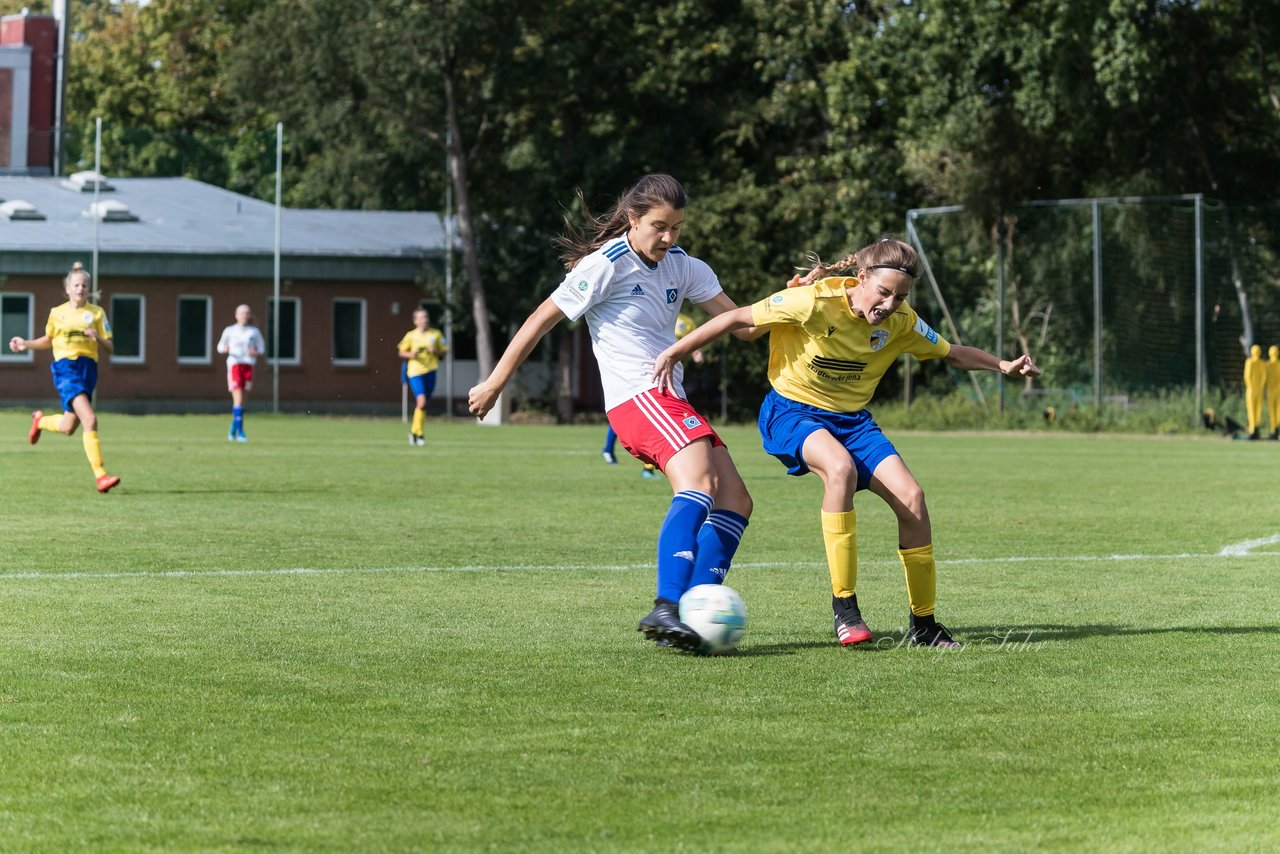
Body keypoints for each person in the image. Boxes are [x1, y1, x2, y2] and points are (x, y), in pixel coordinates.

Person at [652, 237, 1041, 649]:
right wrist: (675, 353)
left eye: (901, 296)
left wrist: (1002, 365)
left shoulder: (902, 322)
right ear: (861, 279)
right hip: (791, 411)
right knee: (839, 468)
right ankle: (846, 608)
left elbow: (951, 352)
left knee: (913, 497)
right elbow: (735, 320)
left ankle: (924, 625)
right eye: (884, 292)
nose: (890, 304)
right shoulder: (814, 302)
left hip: (853, 422)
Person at [468, 173, 759, 651]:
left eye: (678, 227)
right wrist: (497, 381)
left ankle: (689, 611)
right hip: (638, 398)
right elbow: (542, 318)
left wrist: (788, 301)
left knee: (735, 501)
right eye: (659, 226)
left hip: (669, 399)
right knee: (701, 484)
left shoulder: (684, 266)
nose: (668, 237)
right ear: (632, 219)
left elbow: (742, 325)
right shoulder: (606, 265)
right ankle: (668, 606)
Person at [9, 262, 121, 493]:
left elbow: (110, 347)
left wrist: (96, 338)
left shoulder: (97, 313)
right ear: (68, 288)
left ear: (89, 289)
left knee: (69, 427)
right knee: (90, 419)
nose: (80, 288)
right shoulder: (57, 313)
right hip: (66, 369)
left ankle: (39, 421)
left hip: (88, 369)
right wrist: (26, 343)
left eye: (85, 285)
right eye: (76, 284)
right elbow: (49, 340)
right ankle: (101, 476)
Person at [601, 310, 704, 480]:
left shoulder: (687, 321)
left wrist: (696, 354)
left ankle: (644, 465)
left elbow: (693, 340)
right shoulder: (651, 313)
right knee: (637, 416)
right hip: (647, 372)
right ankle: (612, 451)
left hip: (672, 374)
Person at [215, 304, 266, 442]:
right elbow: (219, 347)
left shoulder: (253, 331)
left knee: (242, 401)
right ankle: (241, 432)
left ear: (249, 315)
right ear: (236, 315)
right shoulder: (230, 330)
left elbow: (262, 349)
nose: (244, 315)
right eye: (241, 312)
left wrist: (254, 352)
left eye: (246, 312)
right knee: (237, 399)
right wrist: (225, 349)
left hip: (248, 366)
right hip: (235, 365)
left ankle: (232, 429)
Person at [398, 306, 448, 446]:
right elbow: (401, 352)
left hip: (431, 371)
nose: (424, 320)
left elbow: (444, 352)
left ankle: (414, 432)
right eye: (421, 317)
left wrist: (436, 350)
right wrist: (410, 354)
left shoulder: (436, 334)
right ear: (415, 321)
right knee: (421, 401)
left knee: (424, 403)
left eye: (426, 317)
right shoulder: (411, 336)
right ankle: (419, 434)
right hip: (415, 372)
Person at [1244, 344, 1265, 441]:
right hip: (1252, 390)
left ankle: (1256, 428)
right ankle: (1252, 429)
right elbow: (1247, 376)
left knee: (1258, 410)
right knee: (1252, 410)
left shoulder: (1261, 363)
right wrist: (1252, 387)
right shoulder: (1250, 362)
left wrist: (1260, 386)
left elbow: (1263, 377)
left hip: (1256, 390)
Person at [1267, 345, 1280, 441]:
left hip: (1271, 391)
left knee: (1273, 412)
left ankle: (1273, 430)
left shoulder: (1267, 365)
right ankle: (1277, 430)